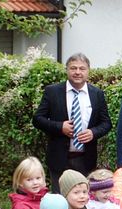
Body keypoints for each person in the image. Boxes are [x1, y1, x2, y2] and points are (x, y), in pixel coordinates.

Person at [33, 53, 112, 192]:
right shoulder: (52, 91)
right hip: (59, 158)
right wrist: (59, 127)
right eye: (73, 68)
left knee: (82, 199)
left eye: (82, 68)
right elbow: (37, 119)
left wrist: (93, 133)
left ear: (88, 71)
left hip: (85, 158)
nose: (77, 72)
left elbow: (106, 123)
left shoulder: (97, 94)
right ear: (67, 70)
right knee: (60, 200)